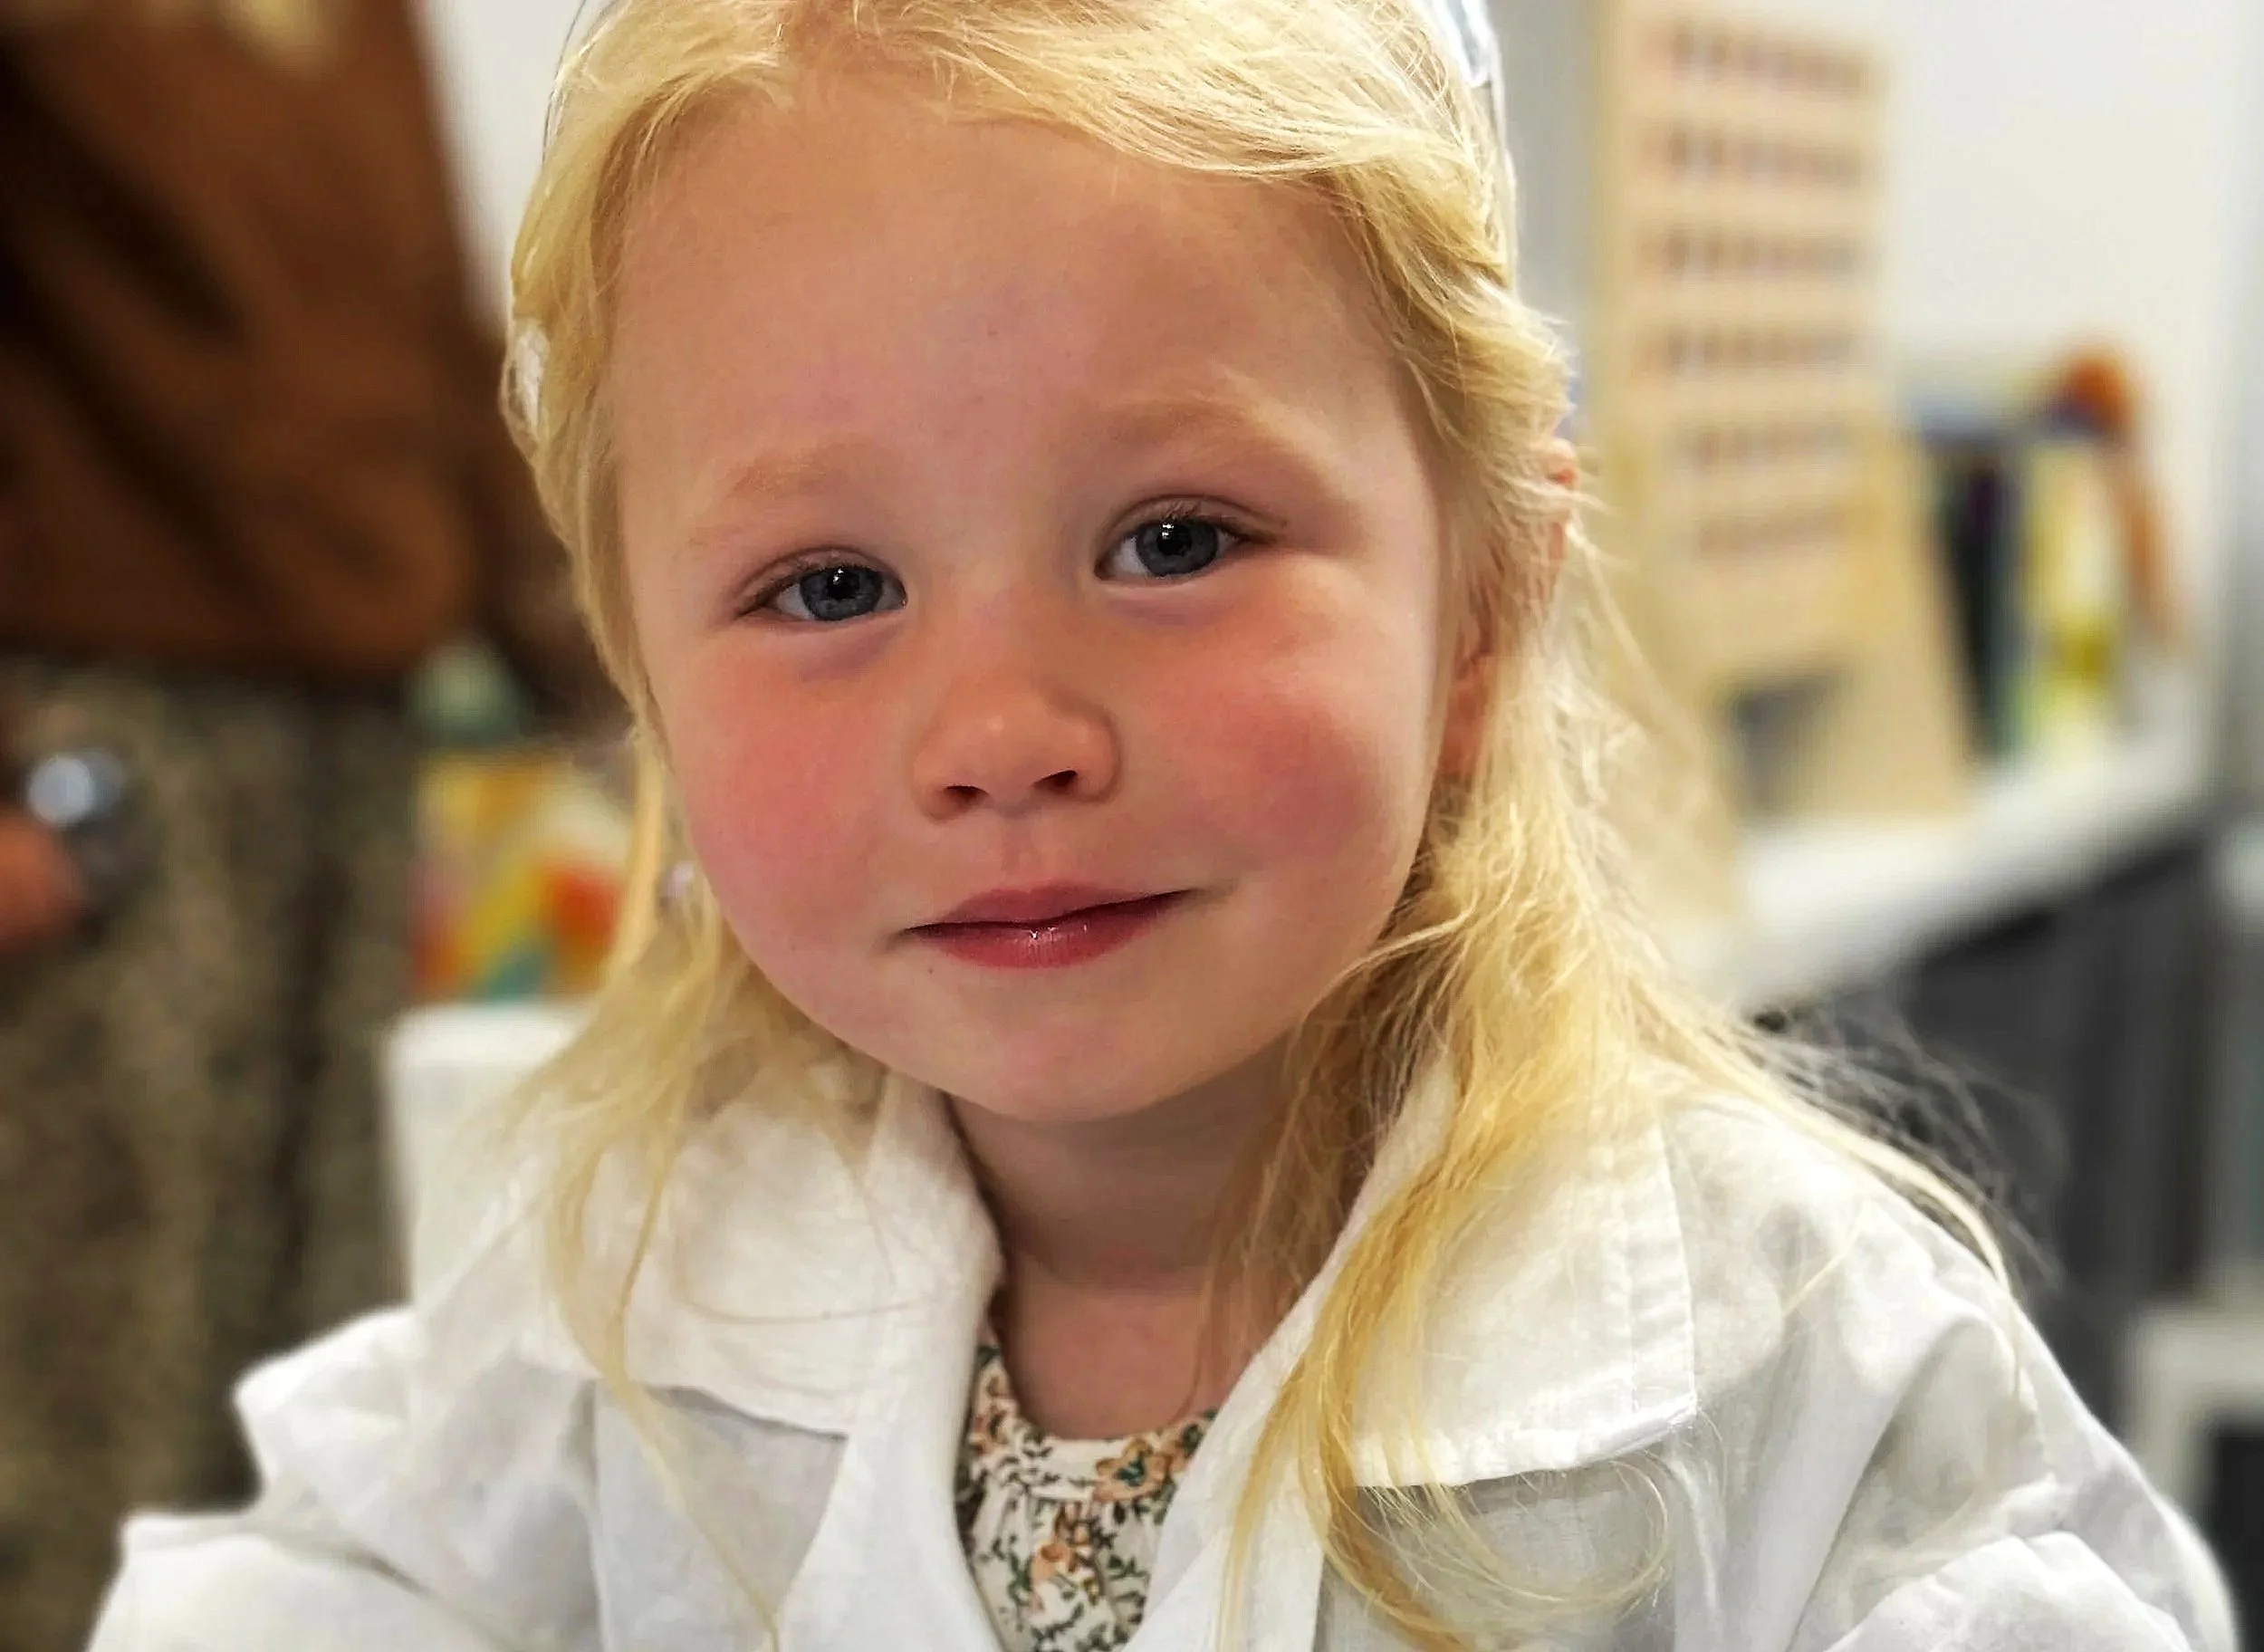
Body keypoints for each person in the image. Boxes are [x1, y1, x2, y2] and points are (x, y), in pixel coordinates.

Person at [84, 1, 2236, 1648]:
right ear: (641, 671)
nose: (1002, 732)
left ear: (1477, 605)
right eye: (826, 589)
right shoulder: (633, 1279)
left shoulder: (1788, 1369)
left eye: (1174, 539)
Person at [0, 2, 608, 1648]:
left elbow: (431, 347)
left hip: (356, 741)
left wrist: (640, 684)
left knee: (315, 1337)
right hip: (109, 752)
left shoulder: (360, 30)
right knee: (89, 1373)